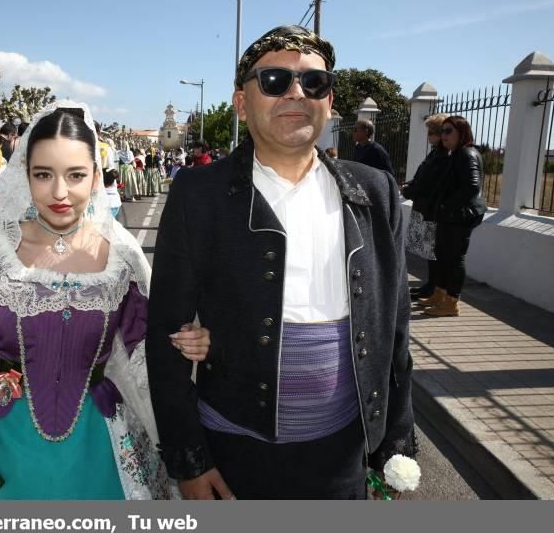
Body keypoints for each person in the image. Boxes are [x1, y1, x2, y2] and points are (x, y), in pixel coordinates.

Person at [147, 25, 415, 500]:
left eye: (314, 83)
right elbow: (165, 337)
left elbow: (393, 333)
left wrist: (394, 446)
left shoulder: (375, 193)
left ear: (330, 102)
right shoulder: (198, 195)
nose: (296, 93)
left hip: (343, 456)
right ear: (242, 102)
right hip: (233, 453)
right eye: (274, 81)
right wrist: (190, 460)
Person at [0, 102, 211, 499]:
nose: (59, 192)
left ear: (96, 177)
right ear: (25, 175)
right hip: (2, 439)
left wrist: (191, 341)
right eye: (43, 175)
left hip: (99, 445)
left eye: (75, 175)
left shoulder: (121, 255)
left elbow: (147, 350)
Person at [419, 115, 485, 317]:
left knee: (454, 259)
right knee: (443, 256)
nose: (443, 135)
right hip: (450, 216)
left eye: (449, 131)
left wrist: (447, 206)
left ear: (462, 133)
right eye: (443, 131)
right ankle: (440, 295)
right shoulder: (456, 153)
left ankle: (451, 302)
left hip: (460, 217)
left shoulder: (466, 154)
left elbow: (472, 187)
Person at [402, 114, 451, 301]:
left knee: (434, 252)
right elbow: (421, 176)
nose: (429, 136)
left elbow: (430, 184)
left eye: (433, 132)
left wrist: (410, 190)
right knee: (428, 250)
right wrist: (408, 185)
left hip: (432, 209)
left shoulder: (444, 156)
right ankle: (430, 285)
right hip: (424, 207)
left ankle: (434, 288)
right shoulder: (435, 153)